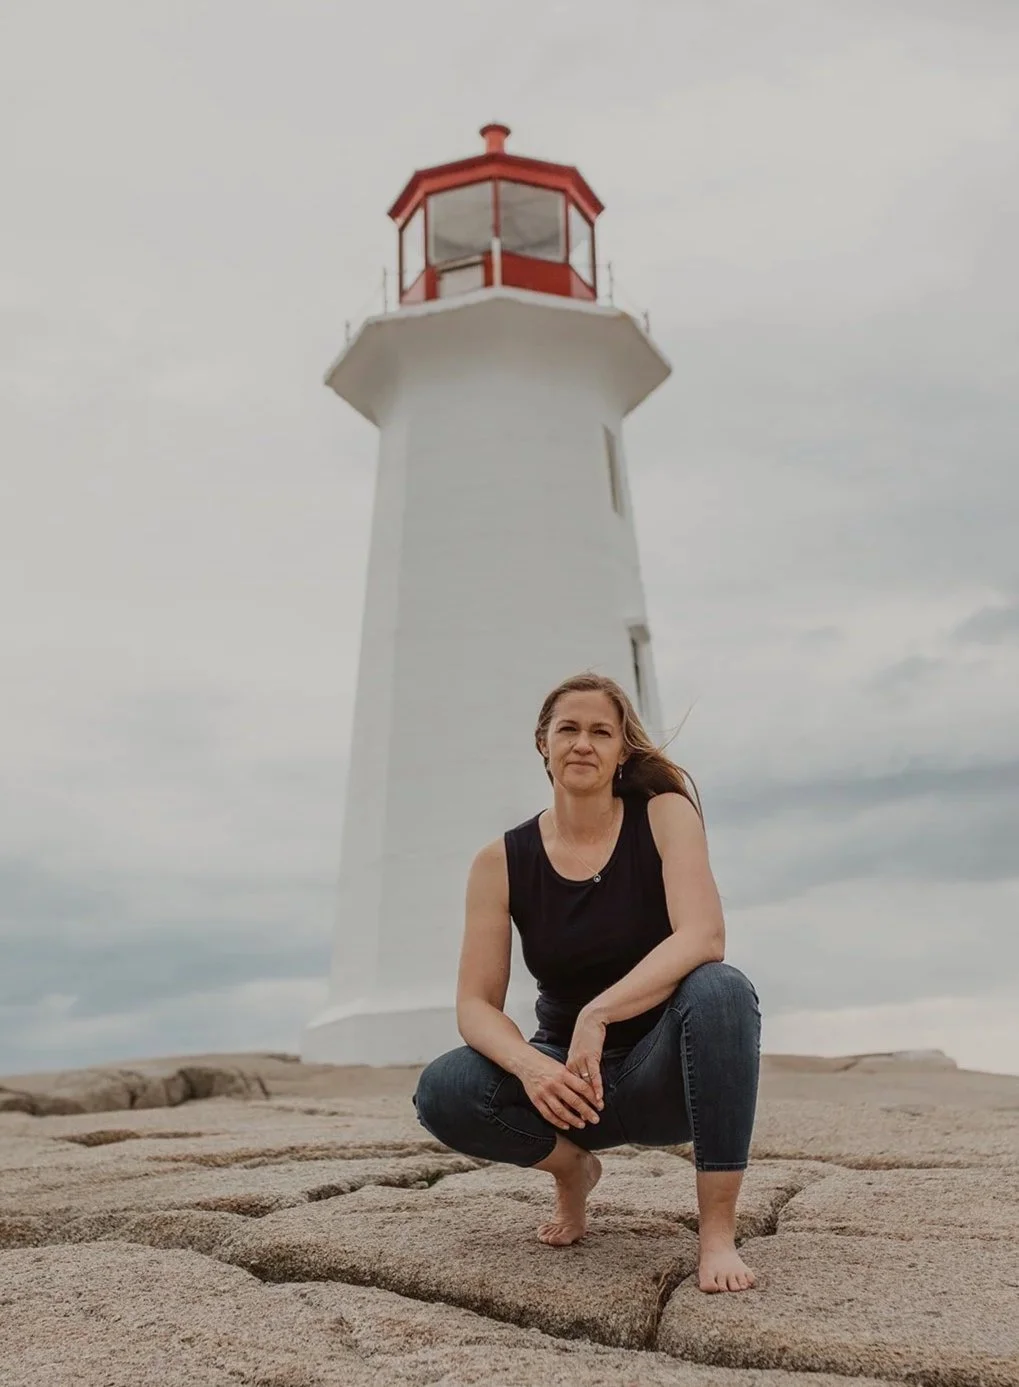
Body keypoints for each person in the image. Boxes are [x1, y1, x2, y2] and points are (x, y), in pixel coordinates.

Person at [412, 672, 761, 1294]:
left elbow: (704, 936)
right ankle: (573, 1171)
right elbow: (474, 1005)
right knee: (444, 1088)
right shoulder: (500, 861)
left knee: (722, 989)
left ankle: (716, 1233)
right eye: (568, 729)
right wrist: (532, 1068)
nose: (582, 743)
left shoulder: (664, 815)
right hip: (569, 1087)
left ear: (622, 750)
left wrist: (597, 1014)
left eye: (601, 732)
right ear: (542, 744)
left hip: (666, 1075)